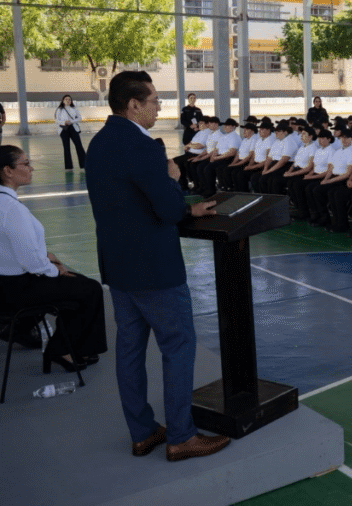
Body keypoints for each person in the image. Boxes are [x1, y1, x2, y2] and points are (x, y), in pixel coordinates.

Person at [85, 70, 230, 462]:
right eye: (153, 100)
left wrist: (187, 209)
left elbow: (128, 204)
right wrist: (174, 178)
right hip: (155, 270)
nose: (158, 106)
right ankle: (181, 436)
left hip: (118, 268)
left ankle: (142, 432)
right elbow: (165, 208)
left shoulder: (97, 145)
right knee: (178, 346)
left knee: (129, 352)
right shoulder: (145, 148)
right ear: (133, 104)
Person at [0, 145, 107, 372]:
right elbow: (31, 262)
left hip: (5, 283)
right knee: (90, 289)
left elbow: (13, 248)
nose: (32, 168)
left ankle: (73, 346)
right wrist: (55, 269)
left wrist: (47, 258)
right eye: (25, 164)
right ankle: (62, 349)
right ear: (7, 171)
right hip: (16, 288)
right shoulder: (11, 209)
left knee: (78, 286)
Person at [55, 94, 86, 170]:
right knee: (66, 147)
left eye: (69, 99)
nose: (68, 101)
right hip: (64, 129)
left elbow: (79, 118)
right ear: (63, 101)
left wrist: (71, 121)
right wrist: (64, 122)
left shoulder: (74, 108)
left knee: (79, 145)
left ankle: (84, 164)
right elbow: (56, 120)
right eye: (66, 99)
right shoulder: (59, 109)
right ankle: (69, 167)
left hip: (73, 128)